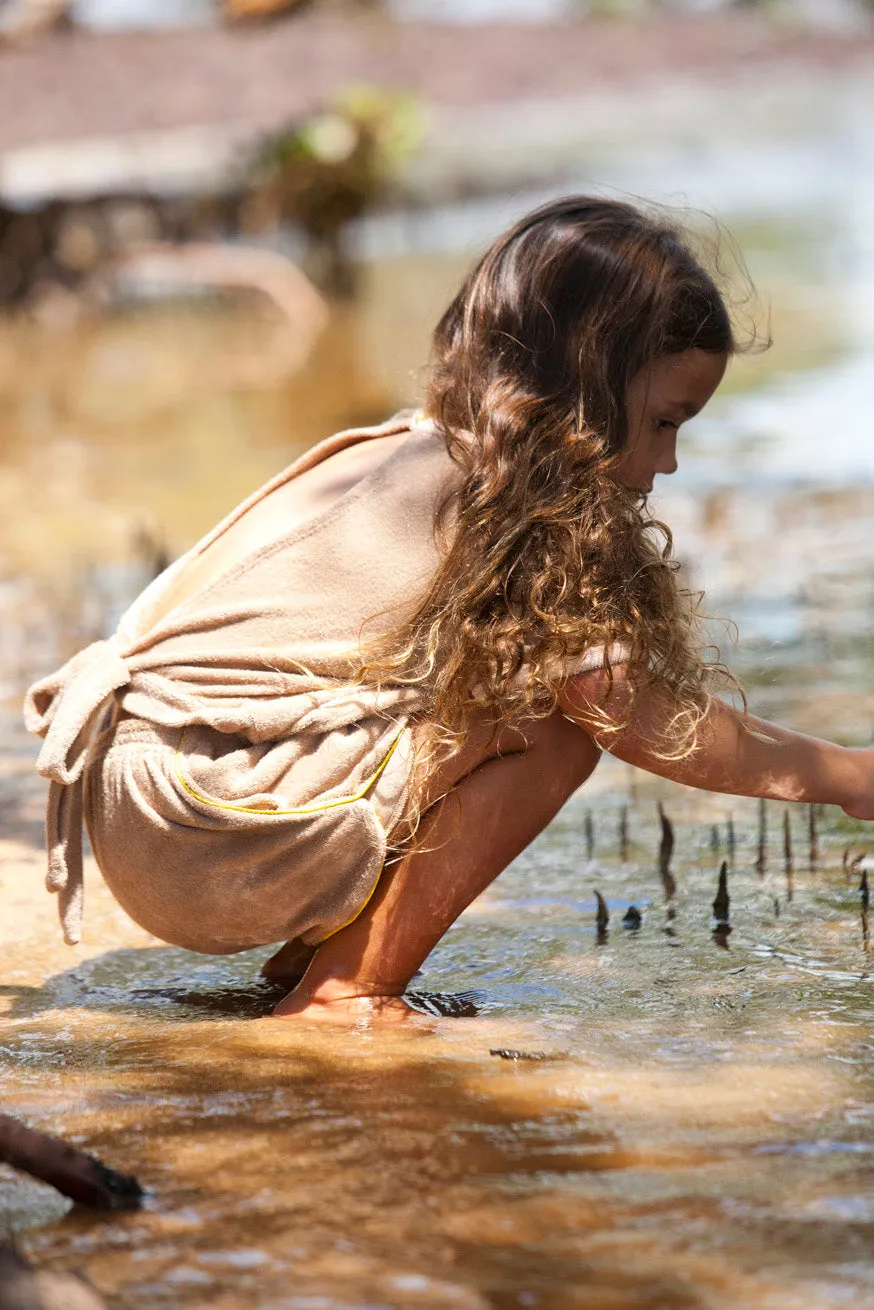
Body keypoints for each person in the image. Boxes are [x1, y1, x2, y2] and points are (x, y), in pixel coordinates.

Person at [24, 197, 874, 1026]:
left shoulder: (416, 448)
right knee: (557, 724)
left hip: (150, 804)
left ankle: (315, 961)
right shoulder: (510, 500)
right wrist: (849, 776)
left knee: (482, 683)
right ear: (580, 392)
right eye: (661, 422)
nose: (671, 460)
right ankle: (346, 989)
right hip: (198, 822)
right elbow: (634, 715)